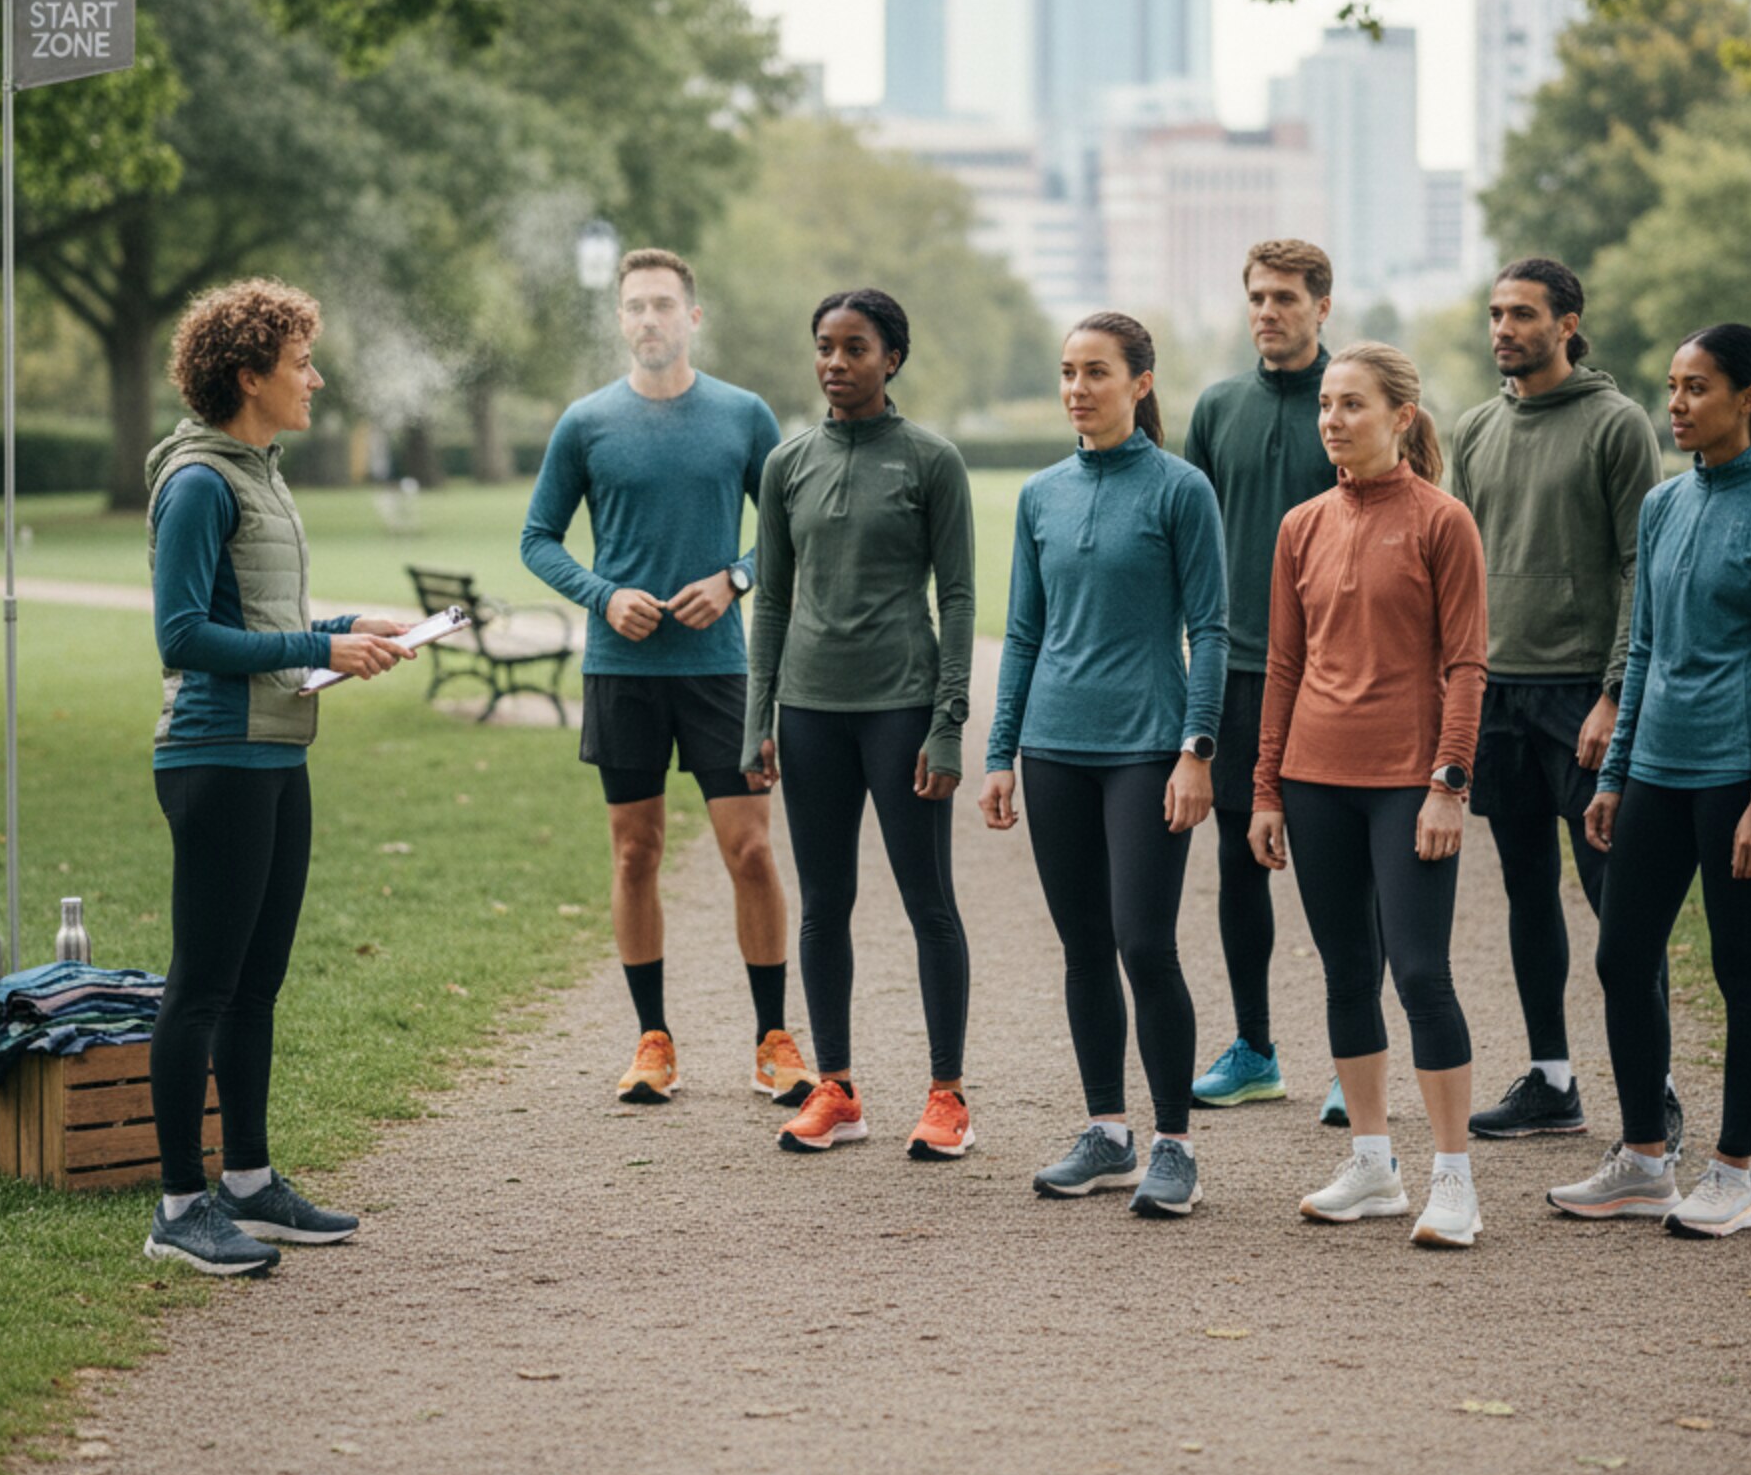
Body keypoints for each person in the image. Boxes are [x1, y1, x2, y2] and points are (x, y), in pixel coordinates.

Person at [144, 279, 414, 1277]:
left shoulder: (256, 472)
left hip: (275, 751)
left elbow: (256, 617)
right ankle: (179, 1206)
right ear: (249, 375)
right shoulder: (199, 482)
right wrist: (318, 645)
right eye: (301, 362)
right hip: (214, 756)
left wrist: (344, 627)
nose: (316, 378)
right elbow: (182, 635)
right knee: (202, 986)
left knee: (255, 986)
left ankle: (250, 1184)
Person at [1548, 325, 1751, 1238]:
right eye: (1672, 386)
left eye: (1696, 387)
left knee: (1741, 970)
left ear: (1749, 400)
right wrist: (1616, 774)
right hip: (1657, 775)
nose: (1676, 403)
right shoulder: (1664, 505)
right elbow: (1646, 652)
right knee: (1622, 958)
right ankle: (1643, 1162)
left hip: (1743, 779)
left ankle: (1735, 1175)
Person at [521, 249, 806, 1107]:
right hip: (623, 673)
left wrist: (735, 580)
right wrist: (604, 597)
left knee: (750, 850)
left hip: (721, 671)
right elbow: (537, 539)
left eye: (664, 305)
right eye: (636, 306)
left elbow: (791, 529)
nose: (650, 318)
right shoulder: (586, 423)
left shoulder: (743, 415)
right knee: (635, 851)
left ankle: (773, 1040)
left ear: (693, 317)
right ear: (621, 320)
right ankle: (653, 1040)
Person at [981, 314, 1228, 1217]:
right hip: (1053, 748)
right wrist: (1001, 753)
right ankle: (1107, 1134)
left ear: (1140, 383)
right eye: (1067, 372)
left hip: (1146, 748)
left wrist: (1196, 749)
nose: (1077, 389)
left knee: (1144, 944)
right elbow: (1022, 633)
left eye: (1096, 372)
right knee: (1084, 947)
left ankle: (1174, 1146)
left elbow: (1211, 629)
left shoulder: (1181, 490)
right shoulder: (1040, 494)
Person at [1252, 343, 1490, 1248]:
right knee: (1348, 972)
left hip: (1408, 783)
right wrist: (1266, 789)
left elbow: (1467, 665)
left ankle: (1454, 1178)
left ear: (1401, 417)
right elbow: (1283, 665)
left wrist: (1449, 783)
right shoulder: (1300, 525)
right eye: (1325, 405)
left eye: (1352, 404)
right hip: (1315, 779)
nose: (1332, 420)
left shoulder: (1444, 522)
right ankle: (1373, 1164)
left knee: (1422, 973)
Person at [742, 289, 978, 1160]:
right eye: (825, 347)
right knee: (823, 904)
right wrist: (757, 717)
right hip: (810, 714)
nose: (835, 363)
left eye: (855, 348)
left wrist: (947, 722)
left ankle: (948, 1096)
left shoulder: (931, 461)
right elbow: (772, 600)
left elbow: (959, 598)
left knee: (929, 903)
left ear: (892, 359)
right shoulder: (787, 464)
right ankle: (836, 1089)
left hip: (901, 709)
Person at [1448, 259, 1672, 1144]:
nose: (1503, 329)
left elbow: (1640, 569)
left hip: (1583, 696)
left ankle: (1654, 1093)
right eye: (1495, 313)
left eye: (1522, 314)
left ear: (1567, 324)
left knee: (1619, 905)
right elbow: (1459, 567)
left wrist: (1616, 695)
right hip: (1498, 694)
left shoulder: (1617, 425)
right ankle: (1552, 1082)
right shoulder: (1475, 428)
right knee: (1526, 891)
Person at [1182, 240, 1349, 1124]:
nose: (1267, 312)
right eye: (1256, 297)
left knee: (1336, 871)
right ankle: (1254, 1050)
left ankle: (1353, 1058)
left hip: (1333, 677)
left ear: (1322, 305)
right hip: (1236, 671)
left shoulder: (1348, 402)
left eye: (1284, 297)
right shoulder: (1217, 408)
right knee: (1239, 863)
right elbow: (1189, 541)